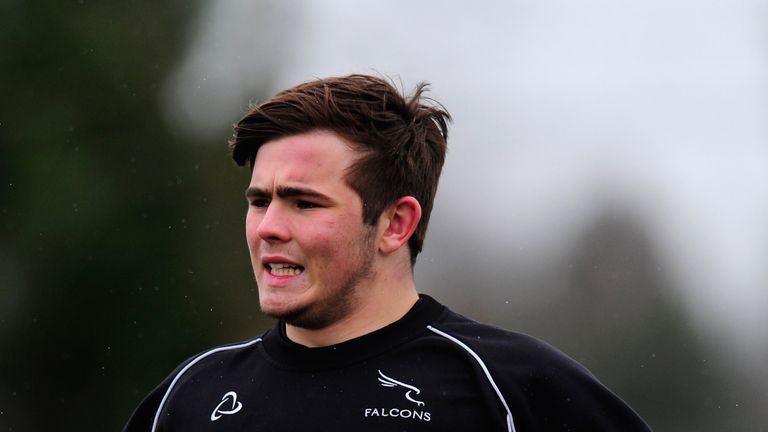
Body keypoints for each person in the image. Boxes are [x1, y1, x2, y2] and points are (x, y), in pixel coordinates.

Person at [124, 75, 651, 431]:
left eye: (305, 203)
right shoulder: (190, 397)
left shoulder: (510, 387)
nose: (268, 228)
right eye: (259, 201)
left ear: (396, 225)